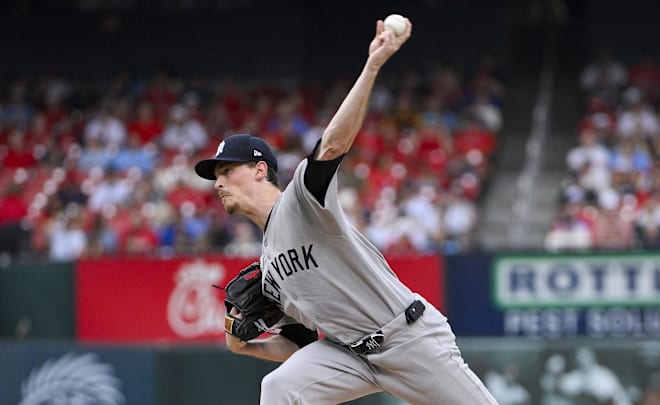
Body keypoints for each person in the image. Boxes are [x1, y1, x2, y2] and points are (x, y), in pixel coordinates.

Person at [194, 17, 498, 405]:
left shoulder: (301, 201)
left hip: (409, 340)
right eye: (214, 176)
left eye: (226, 171)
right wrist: (247, 348)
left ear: (258, 170)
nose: (217, 182)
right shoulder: (268, 269)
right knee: (278, 387)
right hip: (349, 354)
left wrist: (372, 66)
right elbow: (297, 348)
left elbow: (334, 145)